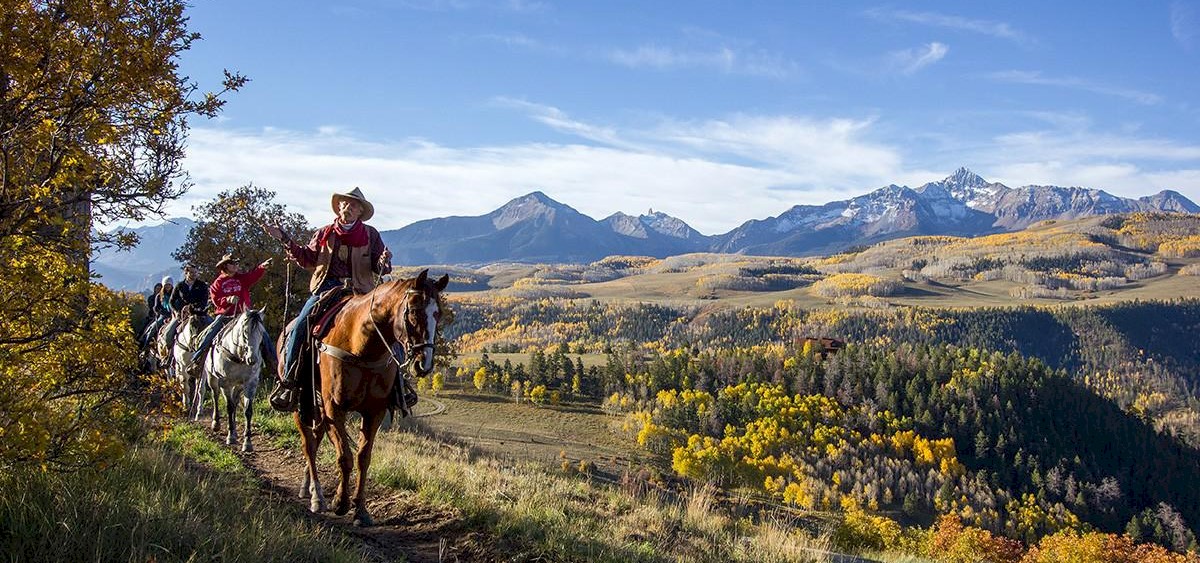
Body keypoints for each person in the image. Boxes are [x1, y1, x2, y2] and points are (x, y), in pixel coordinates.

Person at [262, 187, 392, 408]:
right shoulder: (324, 233)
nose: (348, 208)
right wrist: (284, 238)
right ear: (338, 206)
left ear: (360, 211)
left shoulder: (371, 235)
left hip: (361, 292)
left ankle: (398, 386)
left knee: (389, 328)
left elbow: (381, 266)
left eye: (353, 206)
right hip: (327, 289)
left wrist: (383, 261)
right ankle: (289, 381)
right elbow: (306, 258)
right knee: (301, 324)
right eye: (344, 204)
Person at [190, 254, 279, 375]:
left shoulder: (241, 278)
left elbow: (253, 276)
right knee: (210, 333)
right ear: (226, 266)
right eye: (233, 263)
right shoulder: (218, 283)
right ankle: (197, 360)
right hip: (225, 317)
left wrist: (263, 267)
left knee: (262, 333)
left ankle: (274, 364)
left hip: (243, 316)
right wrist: (227, 300)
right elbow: (216, 300)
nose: (236, 265)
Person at [160, 264, 211, 353]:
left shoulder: (202, 285)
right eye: (191, 272)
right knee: (168, 334)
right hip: (182, 315)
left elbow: (204, 301)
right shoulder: (180, 286)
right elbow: (171, 301)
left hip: (199, 314)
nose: (194, 274)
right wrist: (176, 312)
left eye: (195, 272)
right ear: (186, 273)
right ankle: (169, 355)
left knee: (213, 329)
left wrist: (193, 307)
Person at [142, 276, 174, 347]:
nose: (168, 286)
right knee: (152, 329)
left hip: (174, 316)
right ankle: (145, 347)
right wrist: (163, 313)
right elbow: (156, 308)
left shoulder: (175, 295)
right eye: (166, 285)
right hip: (163, 316)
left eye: (169, 285)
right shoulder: (159, 296)